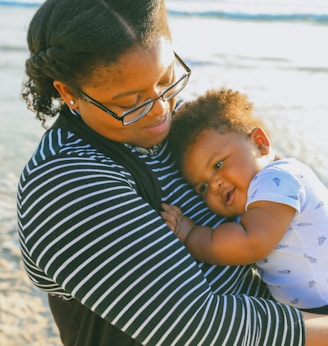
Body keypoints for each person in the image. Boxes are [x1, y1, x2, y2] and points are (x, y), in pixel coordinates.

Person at [17, 0, 328, 345]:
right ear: (68, 92)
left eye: (166, 79)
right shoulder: (65, 184)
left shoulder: (182, 129)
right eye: (129, 102)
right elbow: (196, 328)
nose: (160, 110)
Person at [161, 88, 328, 315]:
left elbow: (251, 243)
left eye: (218, 165)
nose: (215, 185)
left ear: (260, 144)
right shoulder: (258, 197)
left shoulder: (275, 180)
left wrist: (190, 235)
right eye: (202, 187)